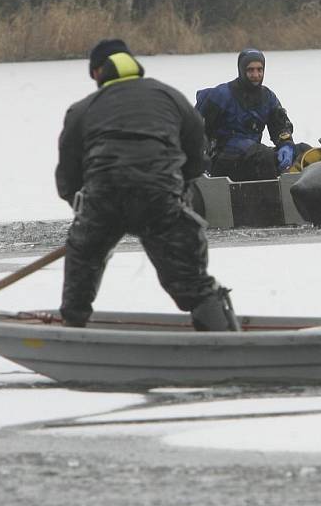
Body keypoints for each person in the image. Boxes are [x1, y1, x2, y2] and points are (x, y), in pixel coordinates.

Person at [55, 39, 238, 331]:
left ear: (97, 73)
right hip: (159, 196)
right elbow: (196, 150)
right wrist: (180, 188)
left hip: (104, 197)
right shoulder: (170, 97)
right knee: (191, 281)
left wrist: (86, 212)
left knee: (84, 259)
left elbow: (68, 175)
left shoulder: (82, 110)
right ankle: (222, 336)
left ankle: (73, 323)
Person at [195, 48, 308, 181]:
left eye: (259, 70)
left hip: (254, 156)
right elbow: (196, 128)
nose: (256, 75)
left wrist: (286, 145)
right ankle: (271, 197)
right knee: (263, 155)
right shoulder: (221, 95)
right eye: (250, 70)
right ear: (241, 70)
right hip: (224, 159)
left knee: (304, 152)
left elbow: (280, 126)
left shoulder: (268, 97)